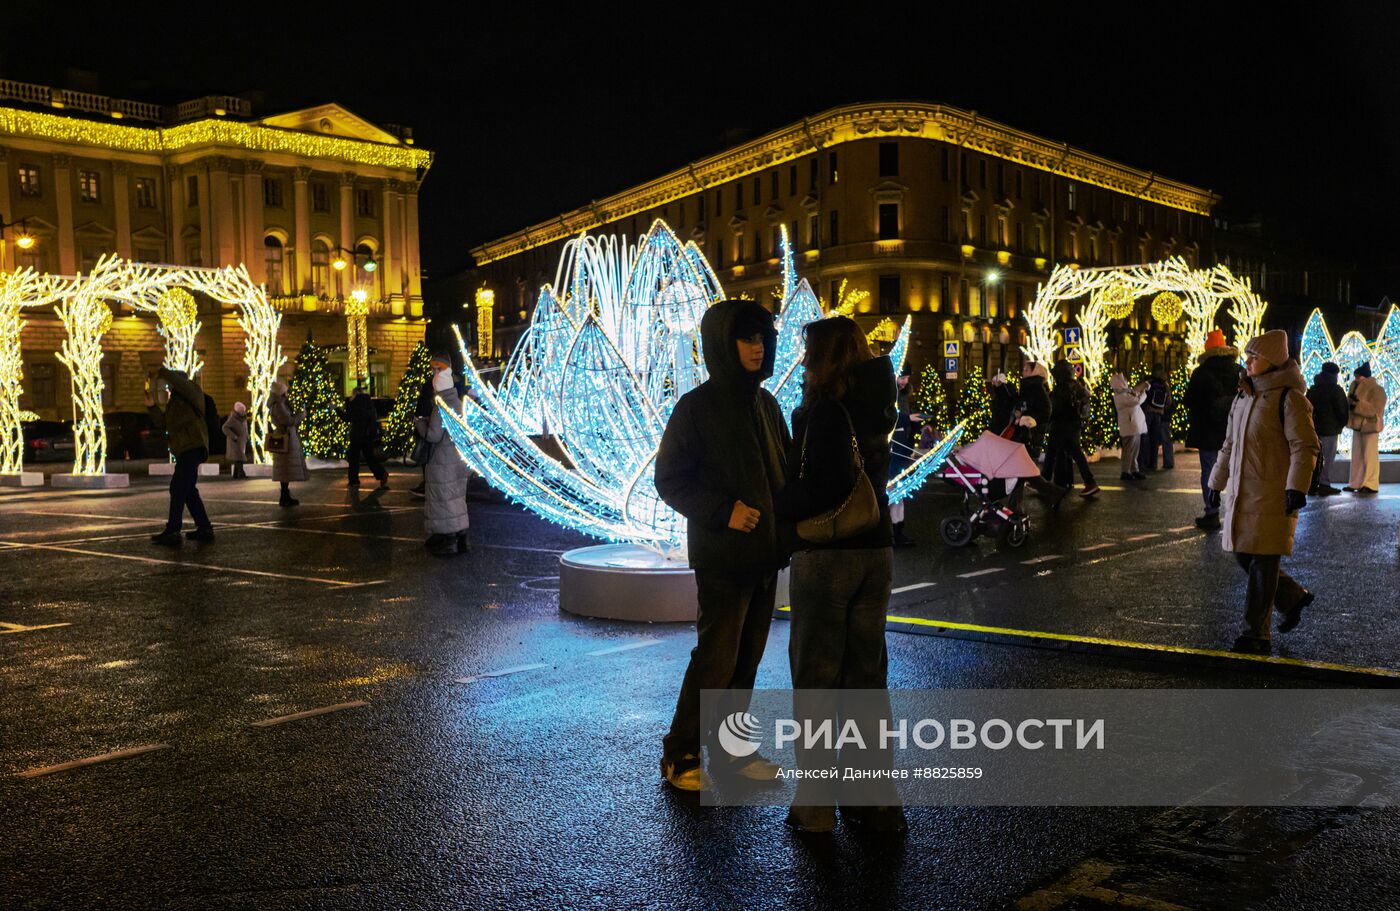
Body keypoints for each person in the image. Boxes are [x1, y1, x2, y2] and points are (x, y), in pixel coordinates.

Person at [654, 299, 790, 794]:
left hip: (765, 557)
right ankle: (682, 752)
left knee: (747, 658)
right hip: (722, 557)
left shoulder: (767, 405)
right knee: (717, 657)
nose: (757, 347)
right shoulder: (697, 407)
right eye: (746, 338)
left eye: (761, 338)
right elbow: (669, 479)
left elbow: (785, 474)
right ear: (722, 344)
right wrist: (723, 511)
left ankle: (732, 753)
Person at [775, 316, 904, 835]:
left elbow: (824, 486)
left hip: (829, 554)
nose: (802, 362)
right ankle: (874, 801)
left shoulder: (827, 410)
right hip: (876, 552)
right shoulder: (878, 398)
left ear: (826, 357)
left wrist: (778, 507)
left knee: (818, 678)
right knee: (867, 678)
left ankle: (815, 807)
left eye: (809, 353)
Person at [1208, 329, 1320, 655]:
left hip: (1274, 493)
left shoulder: (1290, 399)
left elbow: (1304, 446)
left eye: (1254, 356)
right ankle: (1292, 597)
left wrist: (1296, 487)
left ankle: (1255, 633)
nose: (1248, 361)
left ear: (1271, 360)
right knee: (1244, 552)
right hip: (1244, 491)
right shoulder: (1244, 395)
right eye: (1247, 356)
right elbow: (1229, 444)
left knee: (1263, 561)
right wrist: (1216, 482)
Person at [145, 367, 213, 546]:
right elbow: (163, 423)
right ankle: (205, 528)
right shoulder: (174, 401)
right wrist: (152, 406)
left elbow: (180, 382)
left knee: (177, 487)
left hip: (193, 445)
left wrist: (161, 370)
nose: (169, 386)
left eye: (172, 382)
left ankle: (173, 530)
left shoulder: (193, 392)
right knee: (188, 489)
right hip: (183, 449)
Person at [1184, 330, 1241, 529]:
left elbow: (1189, 400)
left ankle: (1212, 512)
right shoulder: (1238, 371)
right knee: (1236, 470)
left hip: (1207, 430)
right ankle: (1237, 512)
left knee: (1209, 471)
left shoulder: (1201, 373)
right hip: (1234, 430)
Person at [416, 367, 471, 555]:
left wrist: (419, 424)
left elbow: (433, 435)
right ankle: (461, 537)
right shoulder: (457, 403)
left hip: (442, 461)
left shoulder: (441, 407)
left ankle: (449, 541)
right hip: (457, 460)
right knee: (456, 498)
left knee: (444, 500)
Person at [1042, 360, 1099, 498]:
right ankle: (1085, 482)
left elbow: (1055, 408)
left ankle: (1043, 483)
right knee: (1072, 452)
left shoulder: (1061, 387)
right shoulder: (1077, 386)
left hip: (1062, 425)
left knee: (1052, 452)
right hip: (1074, 425)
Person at [1305, 362, 1349, 496]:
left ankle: (1311, 484)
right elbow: (1342, 410)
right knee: (1328, 458)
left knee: (1315, 458)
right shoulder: (1336, 390)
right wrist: (1342, 423)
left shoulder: (1313, 389)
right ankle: (1324, 483)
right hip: (1330, 430)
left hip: (1314, 429)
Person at [410, 354, 451, 499]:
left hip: (434, 432)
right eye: (433, 369)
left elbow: (433, 434)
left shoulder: (439, 388)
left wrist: (420, 423)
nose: (434, 372)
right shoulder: (440, 387)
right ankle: (429, 485)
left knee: (433, 461)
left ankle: (429, 486)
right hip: (436, 432)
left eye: (437, 369)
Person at [1344, 362, 1387, 494]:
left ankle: (1370, 483)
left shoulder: (1377, 390)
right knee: (1357, 456)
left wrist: (1356, 405)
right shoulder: (1356, 387)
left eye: (1358, 376)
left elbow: (1375, 409)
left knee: (1369, 456)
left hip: (1370, 426)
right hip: (1358, 426)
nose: (1356, 379)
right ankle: (1356, 482)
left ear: (1364, 377)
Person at [889, 367, 918, 547]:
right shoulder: (889, 394)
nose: (905, 381)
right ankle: (891, 531)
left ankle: (898, 530)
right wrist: (908, 419)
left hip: (902, 446)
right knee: (893, 488)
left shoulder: (902, 395)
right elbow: (888, 418)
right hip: (892, 447)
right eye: (902, 377)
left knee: (899, 490)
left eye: (907, 377)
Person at [268, 380, 306, 507]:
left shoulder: (280, 403)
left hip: (285, 437)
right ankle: (284, 496)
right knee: (285, 469)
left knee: (285, 469)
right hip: (285, 438)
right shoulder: (279, 405)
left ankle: (285, 495)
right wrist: (301, 416)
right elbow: (288, 420)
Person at [346, 384, 388, 489]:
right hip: (367, 434)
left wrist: (337, 410)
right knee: (370, 457)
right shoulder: (369, 404)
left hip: (357, 434)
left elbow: (348, 417)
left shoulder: (355, 403)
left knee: (354, 459)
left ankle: (354, 480)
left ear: (355, 394)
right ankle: (381, 473)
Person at [1111, 373, 1149, 481]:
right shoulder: (1120, 396)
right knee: (1129, 450)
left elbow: (1135, 391)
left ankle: (1134, 469)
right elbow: (1137, 401)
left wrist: (1142, 387)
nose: (1126, 383)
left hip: (1134, 426)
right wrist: (1143, 392)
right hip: (1129, 426)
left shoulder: (1125, 392)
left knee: (1134, 450)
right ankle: (1126, 471)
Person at [1140, 363, 1175, 471]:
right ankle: (1154, 463)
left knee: (1146, 438)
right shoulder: (1165, 384)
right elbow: (1169, 401)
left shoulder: (1148, 381)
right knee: (1156, 439)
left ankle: (1145, 463)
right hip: (1159, 413)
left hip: (1148, 412)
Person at [222, 401, 249, 479]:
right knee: (239, 459)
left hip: (241, 442)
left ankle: (236, 475)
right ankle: (241, 474)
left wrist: (247, 435)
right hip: (235, 443)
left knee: (238, 459)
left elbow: (245, 428)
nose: (244, 412)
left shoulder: (243, 418)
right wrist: (234, 436)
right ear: (239, 411)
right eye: (242, 411)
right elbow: (224, 427)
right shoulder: (232, 418)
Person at [988, 367, 1018, 435]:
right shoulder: (999, 393)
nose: (993, 384)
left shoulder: (1005, 392)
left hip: (1003, 424)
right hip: (999, 424)